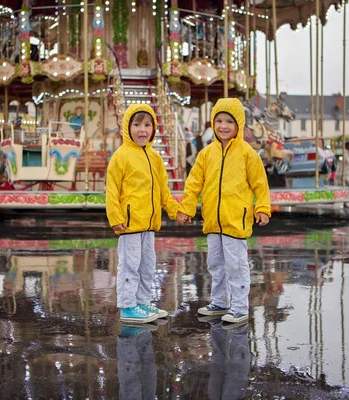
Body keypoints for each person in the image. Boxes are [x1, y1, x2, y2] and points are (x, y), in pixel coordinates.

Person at [176, 98, 271, 325]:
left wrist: (263, 208)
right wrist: (187, 208)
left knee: (236, 264)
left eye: (229, 121)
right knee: (215, 263)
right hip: (212, 220)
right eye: (219, 121)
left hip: (235, 220)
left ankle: (239, 306)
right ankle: (219, 302)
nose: (223, 126)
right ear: (213, 122)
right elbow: (193, 184)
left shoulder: (248, 153)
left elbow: (260, 184)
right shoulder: (206, 154)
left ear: (239, 123)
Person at [106, 104, 180, 324]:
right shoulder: (121, 156)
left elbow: (163, 191)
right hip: (129, 224)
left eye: (147, 125)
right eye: (136, 124)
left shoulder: (155, 158)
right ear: (127, 127)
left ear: (153, 129)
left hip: (148, 224)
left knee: (148, 265)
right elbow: (112, 190)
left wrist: (176, 211)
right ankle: (128, 307)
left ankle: (142, 302)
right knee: (130, 265)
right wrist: (116, 218)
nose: (142, 130)